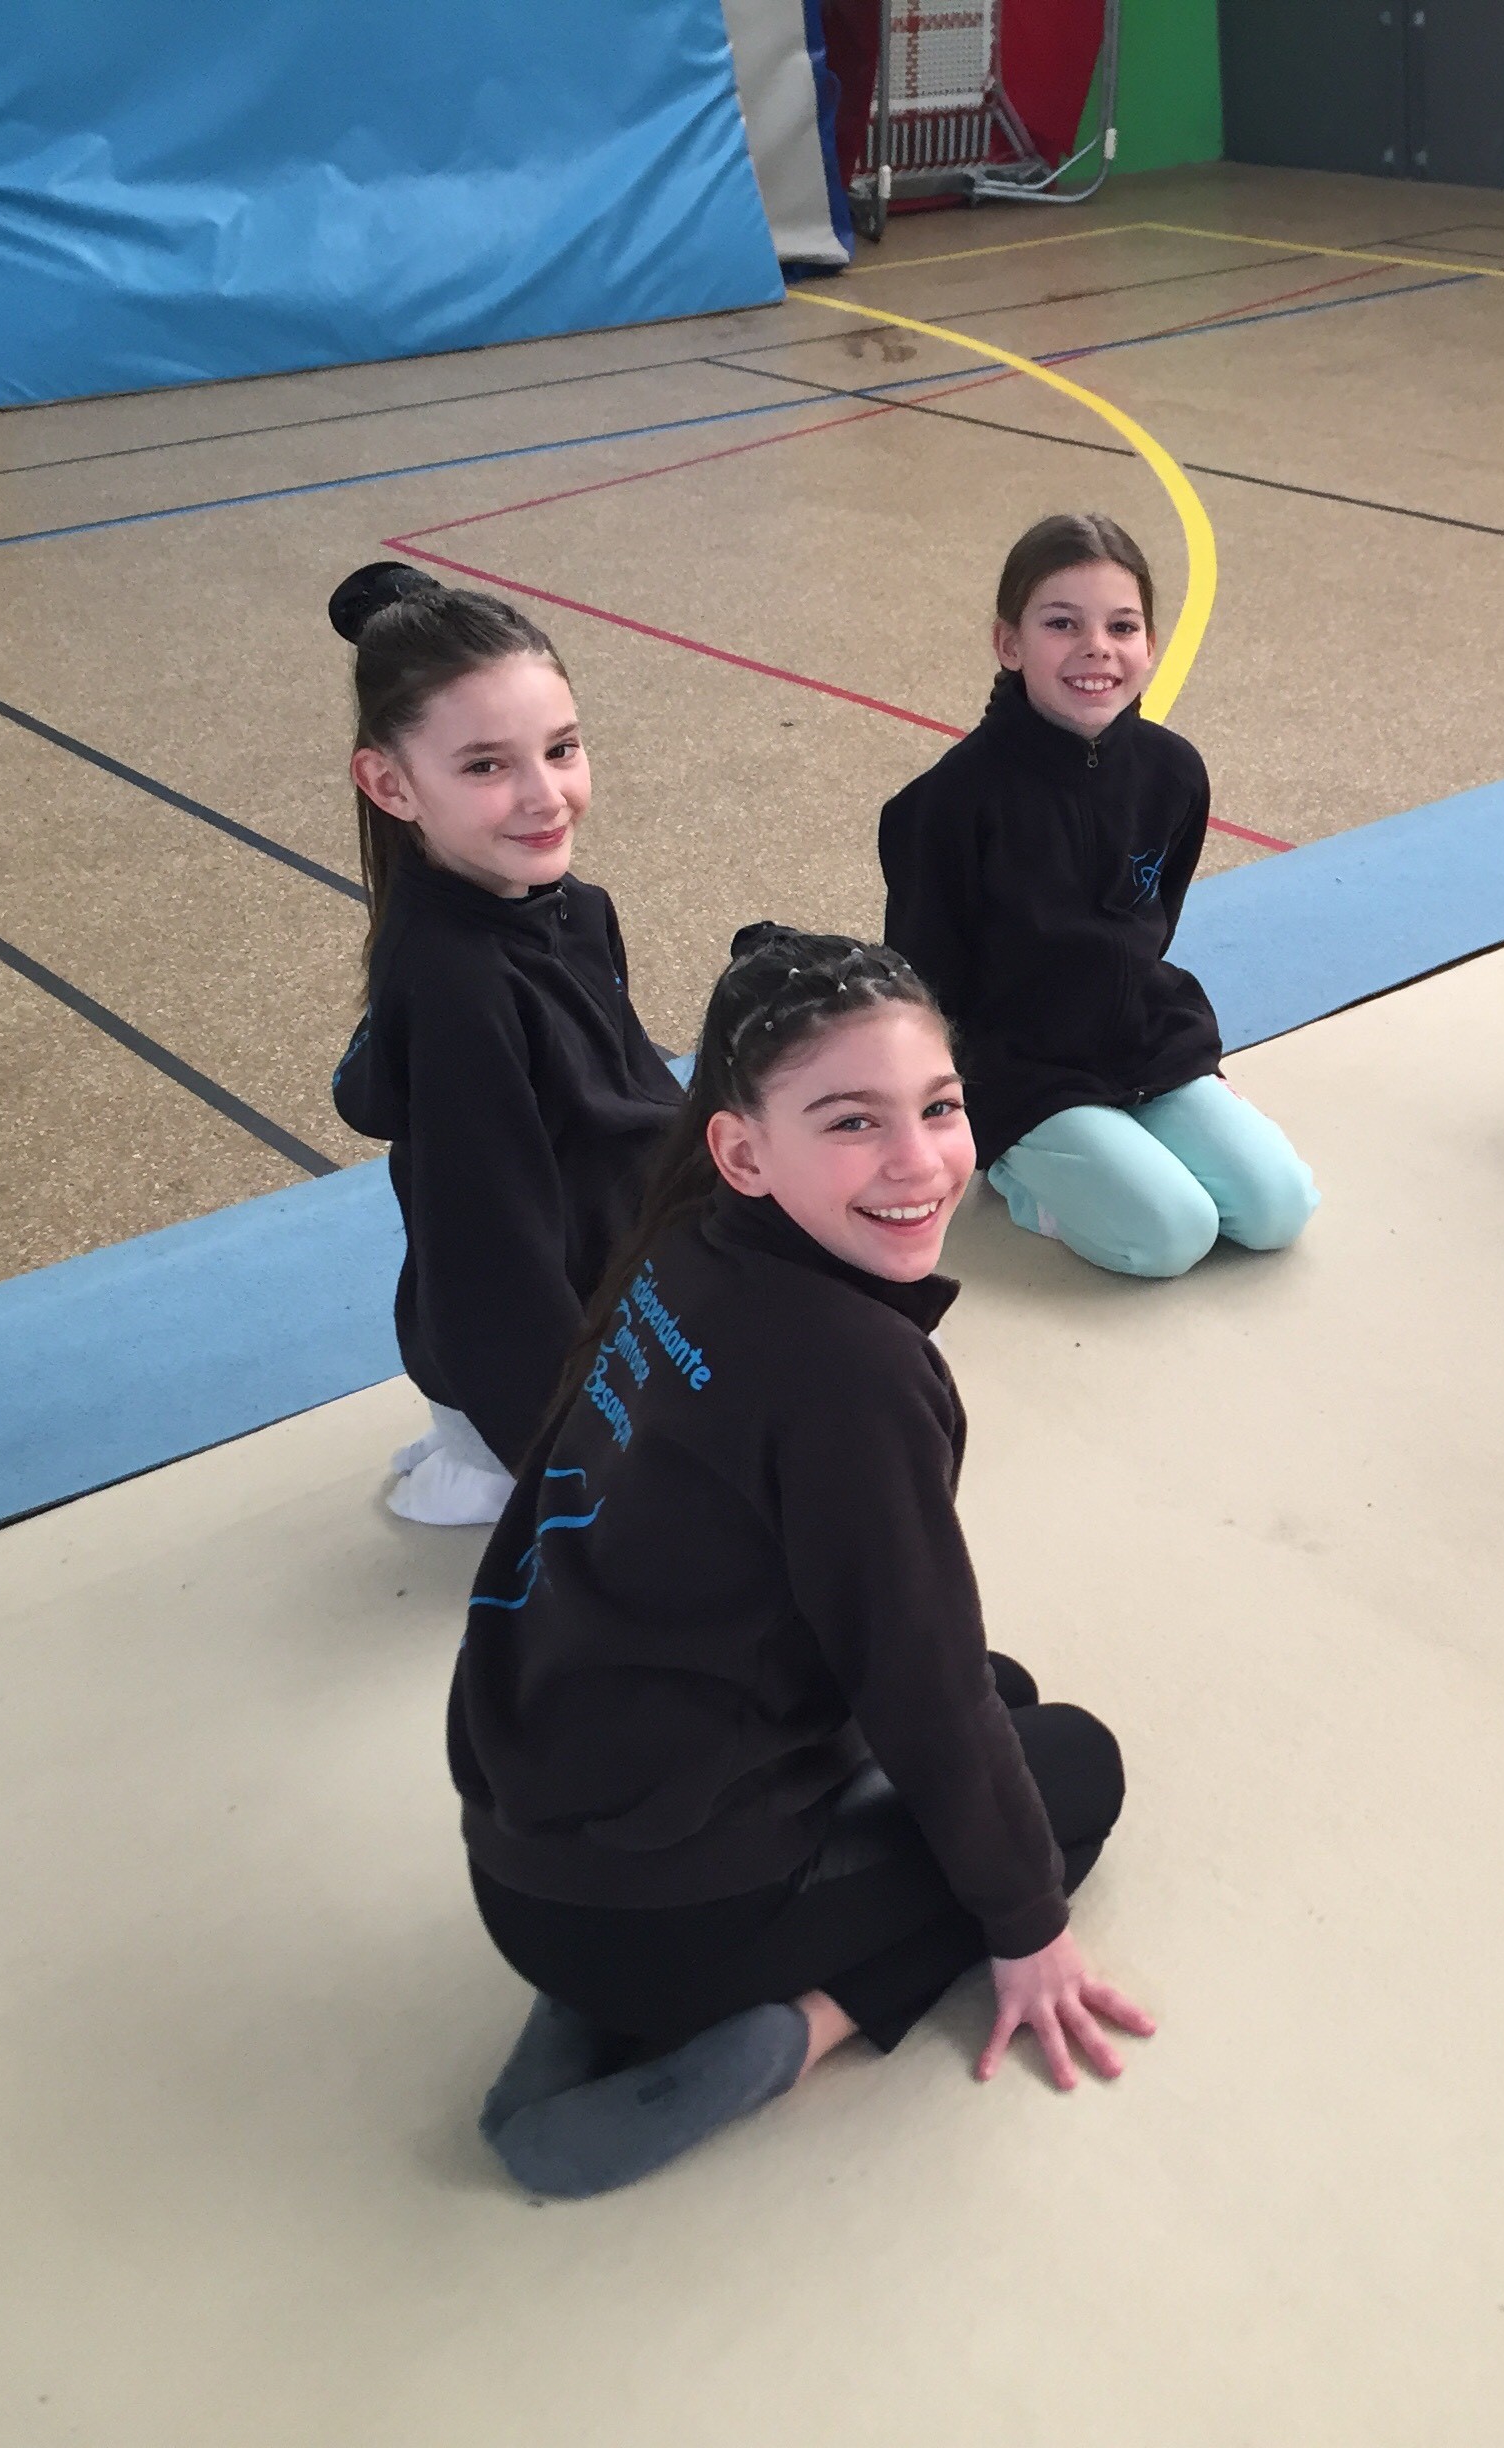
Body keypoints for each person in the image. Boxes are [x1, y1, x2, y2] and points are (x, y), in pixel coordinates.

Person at [452, 926, 1151, 2198]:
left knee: (1004, 1694)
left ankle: (593, 1996)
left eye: (938, 1106)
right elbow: (923, 1691)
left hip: (531, 1850)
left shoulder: (681, 1249)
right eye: (852, 1123)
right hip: (657, 1919)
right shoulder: (852, 1377)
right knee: (1068, 1770)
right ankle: (784, 2032)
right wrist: (1029, 1929)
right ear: (741, 1150)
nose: (918, 1161)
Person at [326, 561, 679, 1527]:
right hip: (535, 1362)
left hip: (621, 1285)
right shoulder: (458, 990)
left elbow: (636, 1106)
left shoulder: (577, 908)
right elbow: (488, 1257)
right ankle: (474, 1459)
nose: (545, 795)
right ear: (390, 784)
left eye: (560, 749)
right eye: (486, 766)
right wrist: (570, 1457)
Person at [879, 511, 1317, 1280]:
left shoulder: (1174, 773)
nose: (1097, 648)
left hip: (1144, 1045)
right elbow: (926, 987)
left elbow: (1153, 923)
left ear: (1150, 644)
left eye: (1122, 626)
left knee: (1279, 1208)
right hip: (1024, 1073)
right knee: (1170, 1236)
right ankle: (1020, 1171)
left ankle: (1135, 1138)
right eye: (1062, 623)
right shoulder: (946, 805)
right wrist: (952, 1115)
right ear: (1009, 644)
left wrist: (1192, 1061)